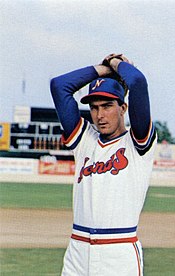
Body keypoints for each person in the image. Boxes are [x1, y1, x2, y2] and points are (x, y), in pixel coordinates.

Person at [50, 53, 157, 276]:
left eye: (107, 105)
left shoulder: (137, 144)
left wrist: (117, 65)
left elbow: (137, 82)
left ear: (123, 108)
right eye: (95, 107)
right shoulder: (84, 141)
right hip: (78, 249)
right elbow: (59, 86)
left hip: (118, 251)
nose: (100, 115)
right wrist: (103, 70)